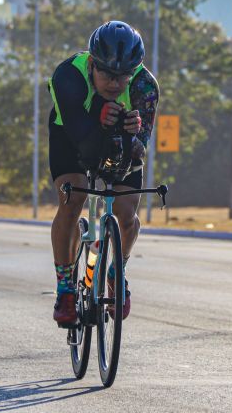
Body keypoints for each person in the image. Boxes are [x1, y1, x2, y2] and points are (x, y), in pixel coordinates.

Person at [47, 21, 159, 327]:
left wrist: (133, 137)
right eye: (108, 73)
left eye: (123, 75)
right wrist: (99, 114)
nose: (115, 83)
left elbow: (140, 150)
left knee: (127, 213)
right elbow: (79, 134)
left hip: (119, 139)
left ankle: (115, 271)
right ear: (93, 63)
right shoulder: (68, 75)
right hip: (69, 134)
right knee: (74, 196)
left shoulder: (144, 86)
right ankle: (66, 288)